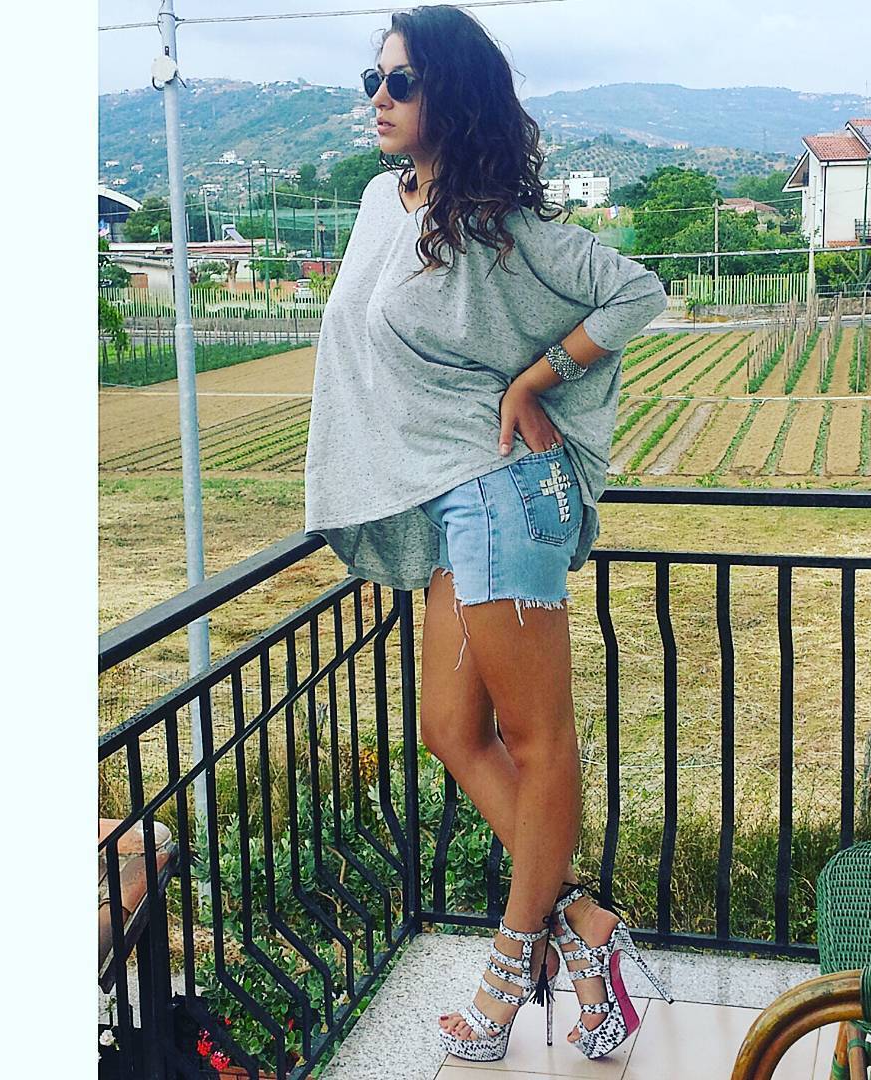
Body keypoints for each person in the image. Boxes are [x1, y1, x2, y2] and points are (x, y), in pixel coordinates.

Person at [302, 4, 672, 1063]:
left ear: (450, 96)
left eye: (402, 81)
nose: (379, 97)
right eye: (372, 78)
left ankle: (511, 973)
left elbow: (635, 292)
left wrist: (532, 378)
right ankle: (584, 925)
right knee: (449, 730)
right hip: (449, 496)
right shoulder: (381, 202)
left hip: (504, 493)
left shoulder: (497, 225)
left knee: (535, 738)